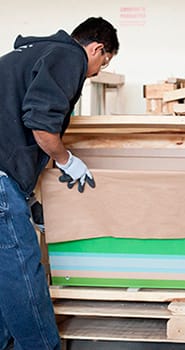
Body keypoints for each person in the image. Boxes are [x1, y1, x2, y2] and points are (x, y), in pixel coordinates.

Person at [0, 17, 119, 349]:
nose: (95, 72)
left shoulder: (37, 52)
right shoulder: (69, 57)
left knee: (4, 273)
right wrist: (67, 160)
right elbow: (40, 124)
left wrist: (27, 197)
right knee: (21, 273)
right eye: (102, 62)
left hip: (5, 179)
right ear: (96, 49)